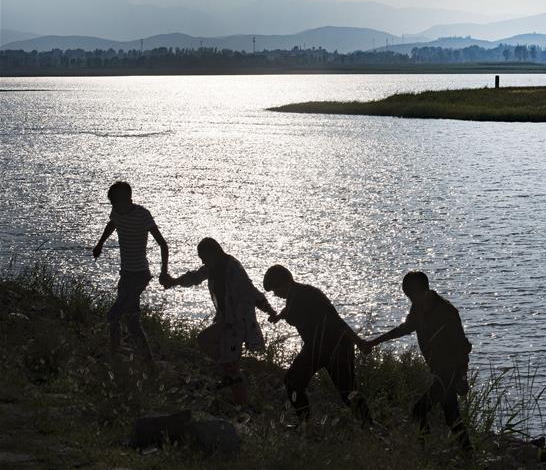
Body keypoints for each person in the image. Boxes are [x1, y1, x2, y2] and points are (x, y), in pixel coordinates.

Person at [161, 238, 277, 406]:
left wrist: (269, 309)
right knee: (228, 363)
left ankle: (240, 400)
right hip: (225, 319)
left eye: (203, 257)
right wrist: (174, 282)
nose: (202, 261)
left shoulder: (233, 269)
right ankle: (238, 397)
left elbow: (250, 291)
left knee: (216, 351)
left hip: (236, 322)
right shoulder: (213, 267)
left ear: (213, 252)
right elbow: (195, 277)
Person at [364, 271, 472, 449]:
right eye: (409, 297)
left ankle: (424, 450)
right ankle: (467, 455)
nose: (412, 301)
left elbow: (462, 346)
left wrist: (462, 376)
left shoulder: (447, 312)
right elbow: (404, 328)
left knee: (419, 411)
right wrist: (375, 342)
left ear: (425, 291)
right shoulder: (418, 308)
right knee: (452, 417)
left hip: (449, 372)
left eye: (413, 296)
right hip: (438, 371)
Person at [263, 265, 372, 425]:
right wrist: (279, 316)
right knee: (293, 381)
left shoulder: (307, 295)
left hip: (335, 347)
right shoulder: (294, 295)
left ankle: (368, 425)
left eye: (275, 289)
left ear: (286, 281)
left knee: (347, 391)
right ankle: (305, 423)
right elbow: (289, 309)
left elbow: (336, 320)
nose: (275, 294)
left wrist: (359, 342)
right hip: (317, 347)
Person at [93, 181, 168, 361]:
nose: (115, 208)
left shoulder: (143, 215)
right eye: (112, 204)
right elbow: (113, 223)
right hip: (126, 274)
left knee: (113, 314)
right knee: (131, 318)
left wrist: (164, 272)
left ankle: (118, 352)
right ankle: (137, 356)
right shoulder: (117, 212)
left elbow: (163, 244)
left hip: (140, 275)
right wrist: (100, 243)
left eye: (117, 203)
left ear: (128, 199)